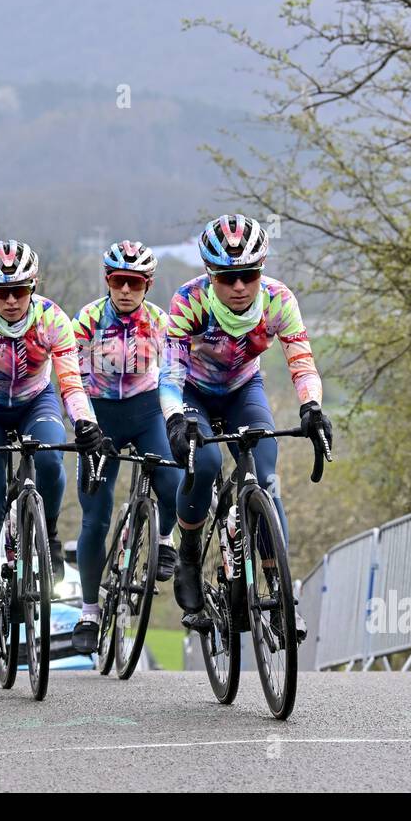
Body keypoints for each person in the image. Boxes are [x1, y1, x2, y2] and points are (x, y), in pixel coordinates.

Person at [161, 214, 333, 630]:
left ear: (262, 270)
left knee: (266, 478)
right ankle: (188, 552)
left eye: (249, 275)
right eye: (227, 277)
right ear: (210, 274)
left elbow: (302, 360)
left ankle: (279, 590)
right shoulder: (189, 301)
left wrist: (311, 407)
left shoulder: (277, 299)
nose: (239, 286)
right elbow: (168, 374)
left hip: (243, 389)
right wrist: (175, 420)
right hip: (193, 394)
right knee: (203, 466)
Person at [0, 240, 104, 655]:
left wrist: (85, 421)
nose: (13, 300)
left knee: (52, 458)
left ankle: (49, 536)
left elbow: (71, 382)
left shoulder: (53, 318)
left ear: (33, 287)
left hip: (38, 401)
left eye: (20, 290)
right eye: (2, 292)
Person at [68, 241, 181, 653]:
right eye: (118, 281)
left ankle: (164, 539)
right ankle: (89, 610)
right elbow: (70, 376)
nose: (126, 290)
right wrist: (83, 423)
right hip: (100, 418)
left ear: (147, 284)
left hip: (147, 412)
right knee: (94, 517)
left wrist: (177, 417)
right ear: (108, 280)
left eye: (135, 282)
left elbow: (174, 374)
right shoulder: (88, 319)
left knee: (173, 483)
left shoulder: (161, 322)